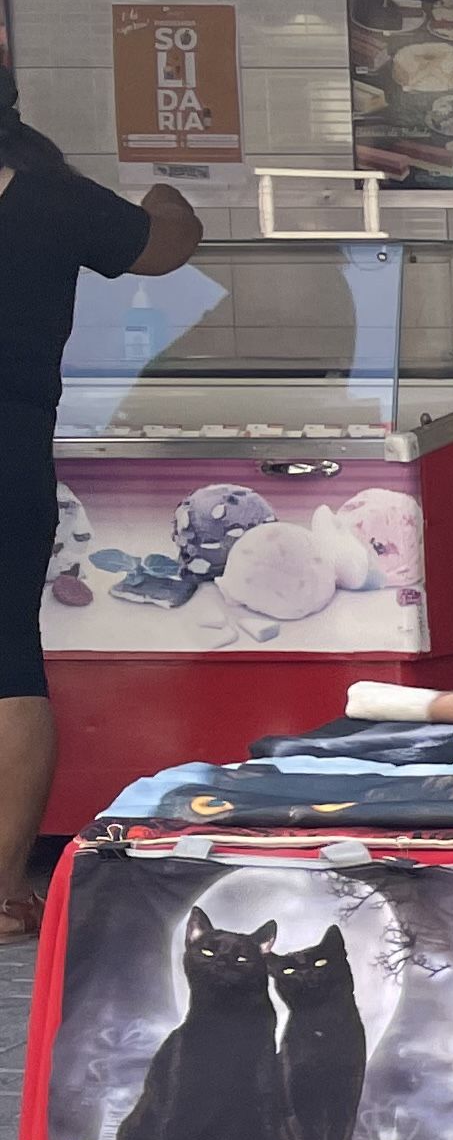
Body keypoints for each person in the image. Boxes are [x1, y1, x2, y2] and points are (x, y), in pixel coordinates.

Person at [0, 71, 204, 933]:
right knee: (7, 661)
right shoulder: (50, 197)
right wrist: (166, 191)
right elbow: (164, 246)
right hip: (6, 449)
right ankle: (5, 891)